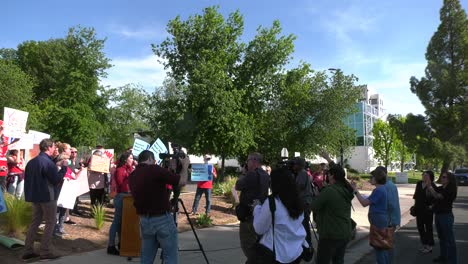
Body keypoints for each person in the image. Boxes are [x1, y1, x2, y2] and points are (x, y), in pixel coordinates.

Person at [128, 150, 180, 264]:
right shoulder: (154, 169)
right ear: (150, 159)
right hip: (162, 219)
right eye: (154, 160)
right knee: (170, 256)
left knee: (146, 258)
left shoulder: (132, 176)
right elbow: (180, 181)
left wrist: (169, 170)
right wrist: (185, 166)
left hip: (144, 221)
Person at [22, 139, 67, 261]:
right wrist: (64, 169)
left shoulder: (32, 162)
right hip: (47, 197)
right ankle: (45, 251)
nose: (54, 149)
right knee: (50, 222)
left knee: (35, 222)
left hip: (35, 197)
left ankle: (28, 251)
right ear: (48, 148)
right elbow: (56, 180)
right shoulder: (47, 163)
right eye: (53, 147)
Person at [253, 167, 306, 263]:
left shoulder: (272, 202)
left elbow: (259, 228)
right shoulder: (299, 201)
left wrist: (256, 208)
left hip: (276, 254)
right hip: (296, 252)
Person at [310, 164, 354, 264]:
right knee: (338, 260)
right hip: (344, 232)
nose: (327, 176)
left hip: (330, 234)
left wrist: (318, 196)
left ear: (332, 176)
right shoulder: (346, 190)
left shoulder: (329, 191)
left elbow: (314, 207)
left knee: (323, 261)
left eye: (328, 174)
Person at [235, 152, 270, 264]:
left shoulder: (251, 174)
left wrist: (244, 173)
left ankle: (255, 261)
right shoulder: (266, 175)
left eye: (248, 160)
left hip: (248, 215)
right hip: (261, 213)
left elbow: (238, 185)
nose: (247, 162)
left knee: (247, 243)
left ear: (254, 161)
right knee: (259, 241)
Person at [352, 168, 389, 264]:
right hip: (380, 220)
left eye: (372, 177)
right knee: (382, 246)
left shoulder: (378, 190)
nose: (370, 179)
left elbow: (364, 203)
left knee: (379, 247)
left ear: (377, 178)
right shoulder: (381, 189)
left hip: (378, 220)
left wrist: (356, 191)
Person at [426, 171, 458, 263]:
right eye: (442, 177)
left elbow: (437, 196)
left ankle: (453, 260)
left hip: (446, 216)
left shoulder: (450, 189)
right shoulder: (441, 188)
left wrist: (429, 186)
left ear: (449, 179)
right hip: (438, 215)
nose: (442, 178)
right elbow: (433, 194)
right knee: (442, 238)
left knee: (449, 240)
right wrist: (429, 183)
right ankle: (443, 257)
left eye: (444, 177)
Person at [107, 152, 134, 255]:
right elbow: (121, 185)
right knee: (116, 222)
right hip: (121, 197)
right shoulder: (120, 170)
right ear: (125, 159)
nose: (132, 160)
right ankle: (111, 245)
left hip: (127, 198)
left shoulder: (129, 169)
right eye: (130, 158)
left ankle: (121, 243)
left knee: (122, 223)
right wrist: (129, 176)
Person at [291, 157, 314, 259]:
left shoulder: (302, 173)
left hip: (304, 203)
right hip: (304, 203)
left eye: (295, 164)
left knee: (304, 226)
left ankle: (307, 248)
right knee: (302, 226)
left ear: (299, 165)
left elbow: (298, 188)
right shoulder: (301, 173)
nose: (293, 166)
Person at [413, 170, 437, 254]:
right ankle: (424, 244)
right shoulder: (419, 183)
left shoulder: (432, 186)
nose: (424, 176)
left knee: (428, 228)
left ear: (430, 177)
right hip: (419, 209)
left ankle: (429, 246)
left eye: (426, 175)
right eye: (423, 175)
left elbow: (436, 199)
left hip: (427, 211)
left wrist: (431, 207)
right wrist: (414, 206)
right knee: (420, 228)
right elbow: (416, 196)